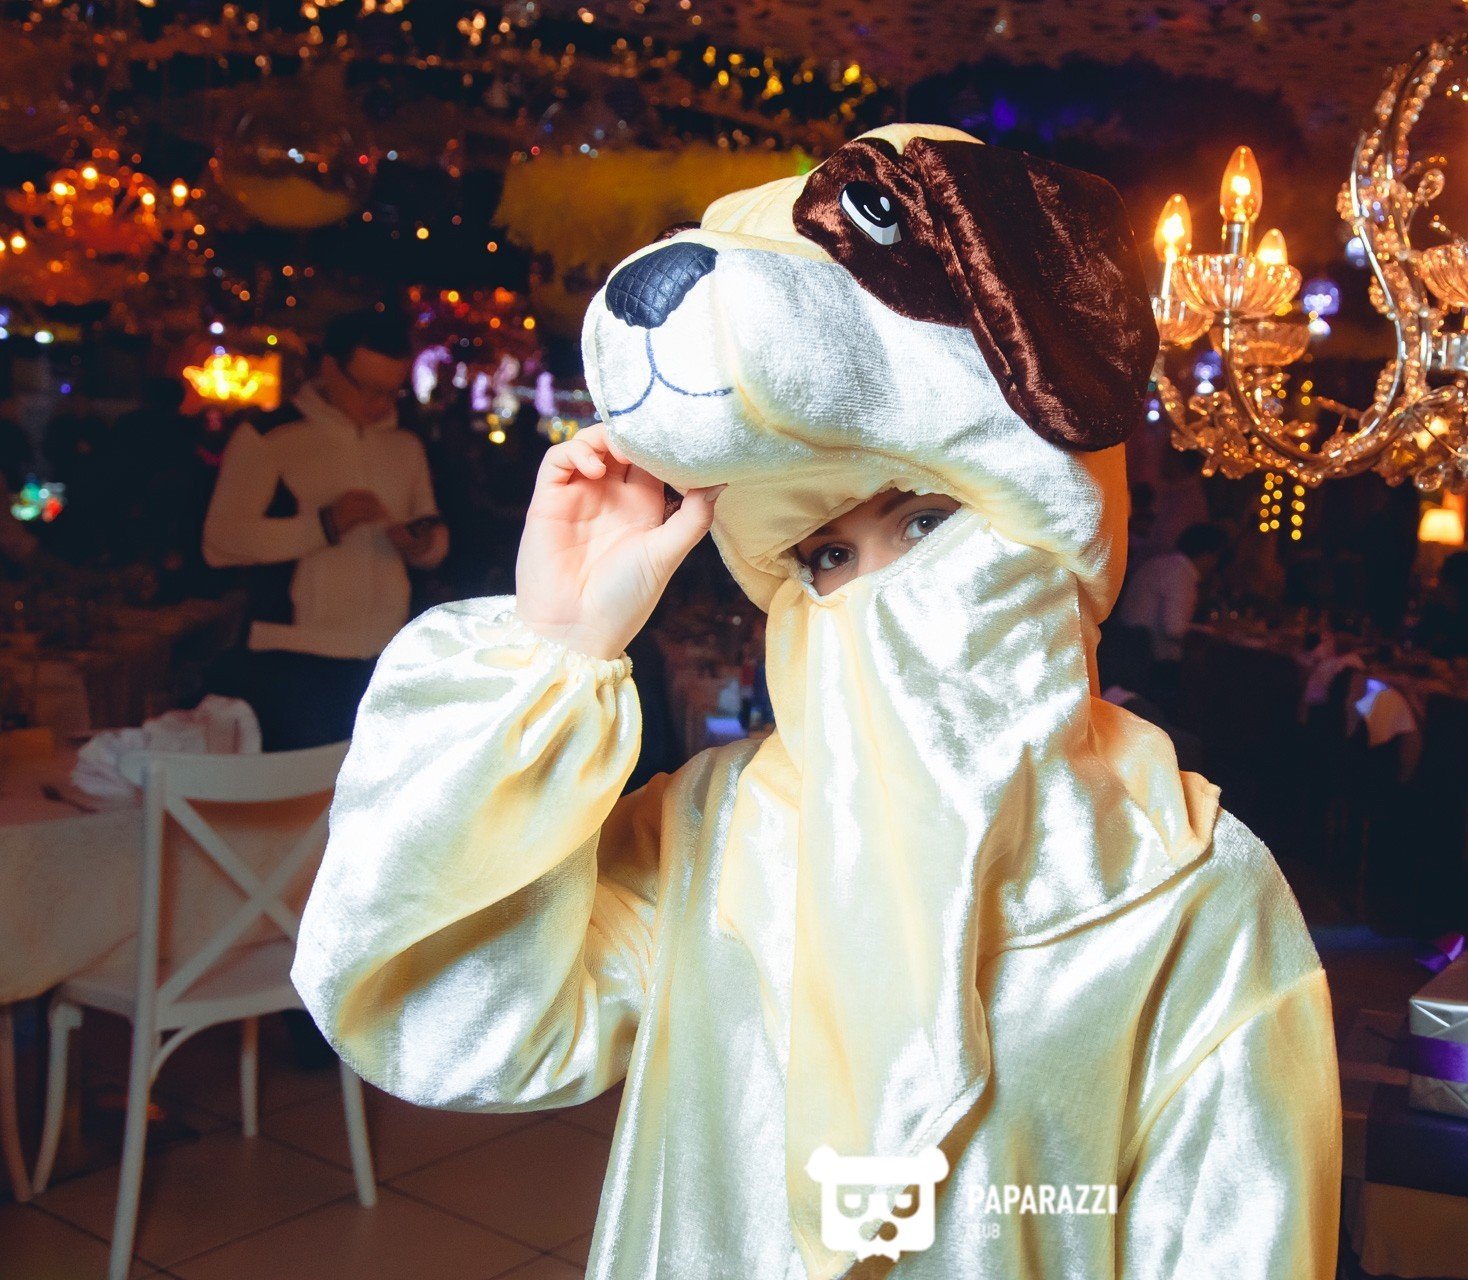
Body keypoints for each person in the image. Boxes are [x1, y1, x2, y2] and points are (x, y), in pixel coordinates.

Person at [292, 125, 1337, 1279]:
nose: (874, 590)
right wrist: (558, 645)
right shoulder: (714, 829)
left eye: (925, 521)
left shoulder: (1186, 884)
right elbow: (446, 1017)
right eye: (826, 557)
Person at [201, 308, 448, 750]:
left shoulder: (405, 444)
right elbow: (220, 542)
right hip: (294, 655)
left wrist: (420, 545)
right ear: (330, 369)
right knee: (301, 785)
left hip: (386, 653)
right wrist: (325, 524)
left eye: (391, 392)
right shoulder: (270, 437)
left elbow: (432, 531)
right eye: (367, 388)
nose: (379, 404)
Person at [1108, 520, 1228, 703]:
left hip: (1124, 653)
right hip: (1151, 665)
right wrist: (1209, 631)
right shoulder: (1181, 572)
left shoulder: (1158, 563)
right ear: (1207, 555)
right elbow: (1174, 629)